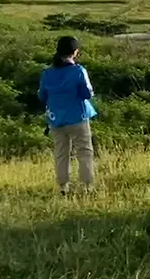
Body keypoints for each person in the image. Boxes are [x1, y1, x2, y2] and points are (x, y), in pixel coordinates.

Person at [37, 35, 97, 195]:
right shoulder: (78, 71)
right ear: (75, 52)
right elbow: (87, 93)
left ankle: (63, 186)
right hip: (77, 116)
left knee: (61, 153)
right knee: (84, 151)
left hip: (56, 118)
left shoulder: (47, 73)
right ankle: (87, 186)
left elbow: (42, 96)